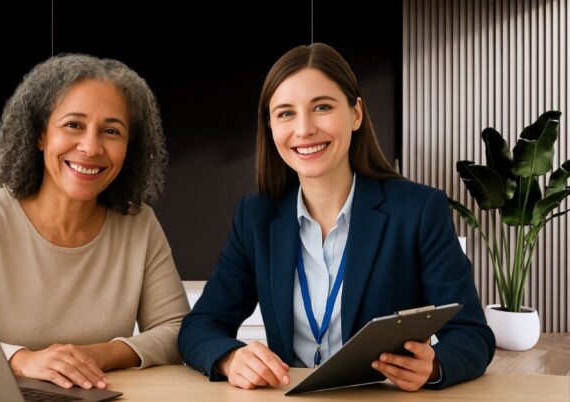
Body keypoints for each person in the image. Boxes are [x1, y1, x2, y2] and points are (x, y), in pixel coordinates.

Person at [178, 43, 495, 391]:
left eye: (322, 107)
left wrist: (434, 367)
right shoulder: (255, 217)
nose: (304, 129)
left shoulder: (418, 210)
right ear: (270, 126)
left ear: (356, 113)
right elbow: (201, 325)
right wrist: (230, 358)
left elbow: (471, 334)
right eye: (285, 113)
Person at [0, 54, 190, 391]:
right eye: (73, 125)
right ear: (40, 134)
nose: (91, 147)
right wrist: (22, 359)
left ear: (128, 147)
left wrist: (95, 355)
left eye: (111, 131)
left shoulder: (139, 224)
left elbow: (177, 331)